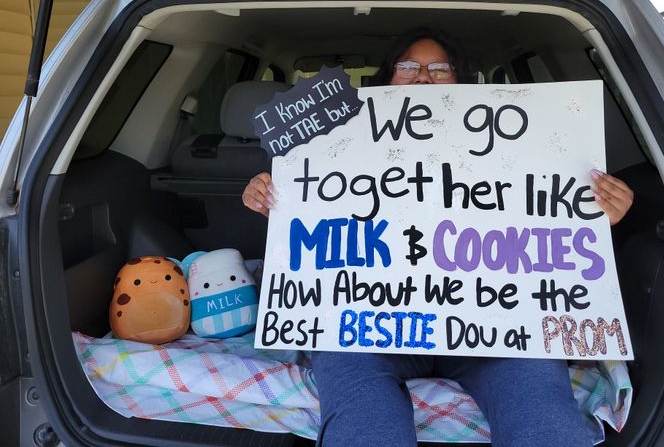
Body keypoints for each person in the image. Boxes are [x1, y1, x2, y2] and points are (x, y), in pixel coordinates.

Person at [242, 27, 634, 447]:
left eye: (439, 69)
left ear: (462, 81)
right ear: (387, 78)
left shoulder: (518, 146)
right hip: (365, 326)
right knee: (365, 422)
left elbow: (548, 221)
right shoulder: (332, 146)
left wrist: (594, 214)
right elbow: (313, 223)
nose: (423, 77)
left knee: (546, 422)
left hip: (495, 326)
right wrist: (275, 199)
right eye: (408, 67)